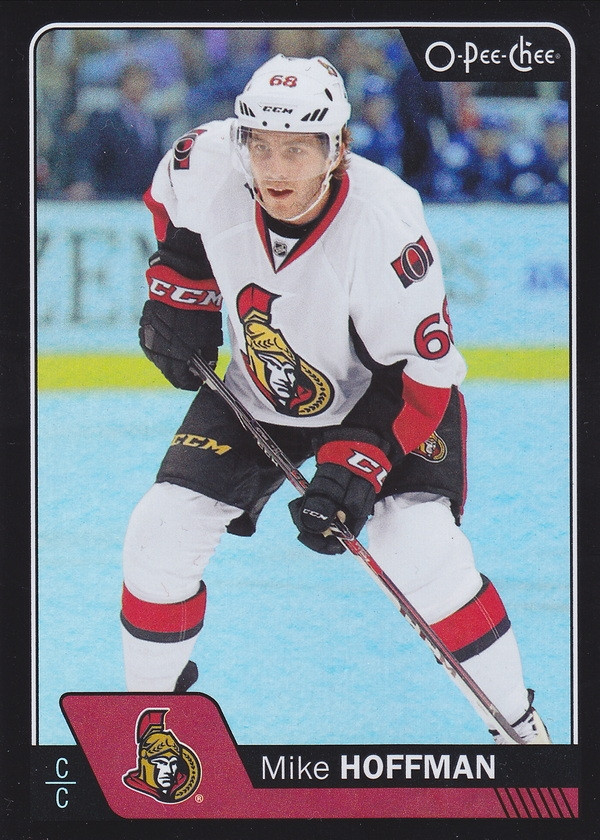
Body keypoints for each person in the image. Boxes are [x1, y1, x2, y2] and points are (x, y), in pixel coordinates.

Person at [121, 54, 550, 745]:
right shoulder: (207, 158)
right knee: (158, 533)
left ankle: (523, 736)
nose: (274, 168)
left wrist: (356, 466)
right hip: (262, 386)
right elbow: (172, 208)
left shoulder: (386, 220)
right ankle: (152, 732)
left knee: (419, 549)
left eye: (296, 149)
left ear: (337, 147)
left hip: (385, 399)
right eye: (260, 145)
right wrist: (182, 286)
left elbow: (420, 375)